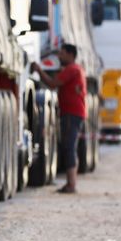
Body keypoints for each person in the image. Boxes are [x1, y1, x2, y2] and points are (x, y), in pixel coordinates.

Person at [31, 43, 87, 194]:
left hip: (71, 114)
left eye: (62, 54)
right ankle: (71, 183)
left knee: (69, 147)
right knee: (70, 147)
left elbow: (52, 84)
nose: (59, 56)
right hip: (74, 113)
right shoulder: (76, 69)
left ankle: (71, 184)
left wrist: (39, 70)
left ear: (70, 55)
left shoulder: (72, 70)